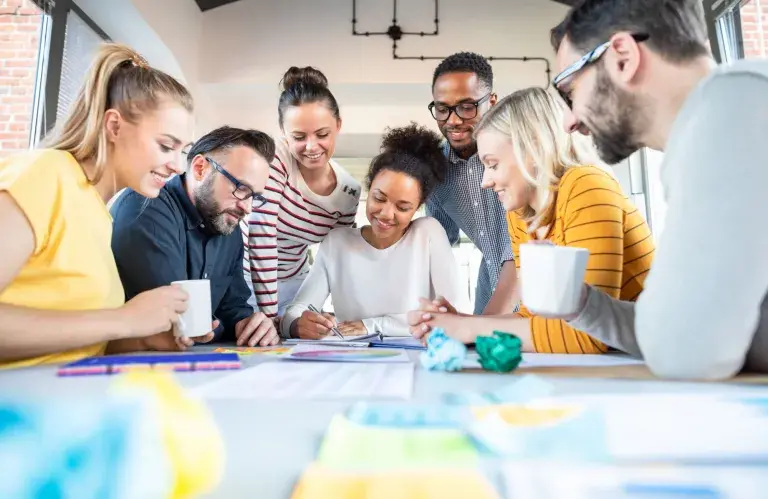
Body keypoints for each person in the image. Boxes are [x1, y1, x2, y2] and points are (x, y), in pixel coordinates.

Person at [548, 0, 768, 378]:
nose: (569, 121)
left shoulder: (732, 109)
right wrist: (581, 304)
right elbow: (683, 326)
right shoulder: (723, 113)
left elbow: (688, 352)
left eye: (569, 91)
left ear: (623, 58)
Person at [408, 87, 655, 353]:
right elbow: (532, 319)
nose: (485, 182)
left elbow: (590, 334)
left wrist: (469, 330)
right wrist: (460, 323)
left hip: (661, 360)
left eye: (492, 164)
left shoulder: (586, 185)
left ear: (534, 147)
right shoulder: (520, 214)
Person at [0, 43, 195, 368]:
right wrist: (123, 320)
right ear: (114, 126)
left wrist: (141, 337)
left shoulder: (98, 214)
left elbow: (69, 342)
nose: (177, 166)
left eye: (183, 151)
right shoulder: (47, 174)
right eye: (165, 146)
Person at [281, 124, 469, 339]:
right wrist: (297, 325)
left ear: (418, 207)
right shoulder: (337, 243)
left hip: (414, 363)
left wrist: (373, 325)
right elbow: (295, 312)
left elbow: (454, 315)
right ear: (369, 190)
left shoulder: (427, 233)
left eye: (403, 207)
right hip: (353, 362)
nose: (387, 214)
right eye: (379, 198)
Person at [111, 126, 280, 348]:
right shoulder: (146, 206)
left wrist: (251, 325)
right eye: (241, 188)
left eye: (254, 197)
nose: (247, 208)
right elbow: (180, 324)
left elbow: (233, 309)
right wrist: (221, 326)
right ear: (200, 168)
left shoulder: (228, 226)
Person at [243, 67, 361, 321]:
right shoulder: (277, 155)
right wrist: (269, 316)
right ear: (284, 133)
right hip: (243, 279)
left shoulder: (348, 192)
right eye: (298, 136)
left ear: (338, 126)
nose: (311, 147)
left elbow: (339, 257)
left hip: (295, 285)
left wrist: (348, 316)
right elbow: (262, 231)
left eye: (322, 134)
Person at [426, 52, 517, 316]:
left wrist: (483, 325)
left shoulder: (520, 153)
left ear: (492, 102)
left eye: (467, 107)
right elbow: (438, 243)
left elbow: (524, 252)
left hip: (539, 294)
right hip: (489, 293)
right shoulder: (436, 172)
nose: (453, 120)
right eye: (442, 109)